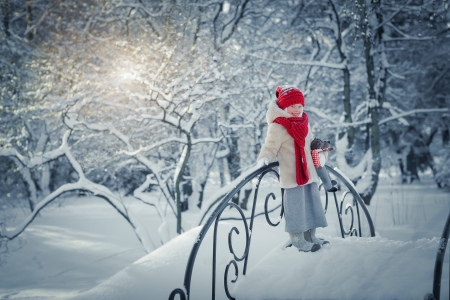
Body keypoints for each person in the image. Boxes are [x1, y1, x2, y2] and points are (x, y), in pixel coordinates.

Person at [256, 85, 328, 252]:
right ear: (283, 106)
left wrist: (319, 147)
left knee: (311, 205)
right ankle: (298, 240)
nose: (296, 110)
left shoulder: (304, 122)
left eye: (299, 106)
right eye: (292, 106)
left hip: (309, 174)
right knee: (296, 209)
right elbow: (270, 146)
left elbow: (310, 142)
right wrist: (264, 158)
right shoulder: (278, 126)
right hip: (292, 177)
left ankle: (311, 236)